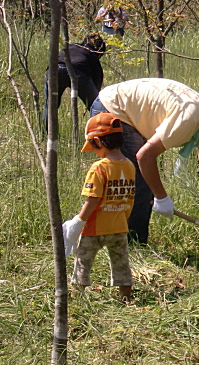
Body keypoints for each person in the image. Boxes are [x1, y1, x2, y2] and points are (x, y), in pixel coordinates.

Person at [90, 78, 199, 244]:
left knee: (140, 180)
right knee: (138, 181)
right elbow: (144, 156)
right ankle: (133, 246)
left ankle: (123, 239)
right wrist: (161, 197)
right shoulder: (188, 121)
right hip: (112, 108)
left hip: (125, 110)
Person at [62, 113, 135, 300]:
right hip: (119, 227)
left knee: (82, 262)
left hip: (93, 228)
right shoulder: (129, 166)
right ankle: (125, 297)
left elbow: (93, 199)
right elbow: (129, 199)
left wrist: (79, 221)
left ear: (97, 142)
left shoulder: (99, 168)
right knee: (121, 264)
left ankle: (78, 297)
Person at [43, 32, 107, 131]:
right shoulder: (92, 55)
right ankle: (99, 134)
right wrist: (92, 100)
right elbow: (97, 79)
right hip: (78, 71)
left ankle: (44, 135)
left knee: (50, 105)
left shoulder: (71, 46)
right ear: (98, 52)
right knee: (96, 106)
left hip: (54, 69)